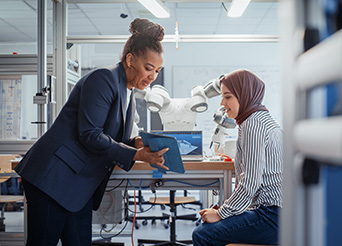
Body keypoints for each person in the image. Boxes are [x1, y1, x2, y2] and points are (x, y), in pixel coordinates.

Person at [14, 18, 168, 246]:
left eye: (157, 70)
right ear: (130, 59)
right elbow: (90, 133)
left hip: (78, 184)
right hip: (54, 176)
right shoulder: (103, 78)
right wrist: (136, 155)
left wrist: (136, 142)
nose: (153, 76)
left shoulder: (128, 93)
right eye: (148, 68)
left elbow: (114, 136)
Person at [192, 69, 283, 246]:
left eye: (228, 97)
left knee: (202, 235)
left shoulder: (252, 125)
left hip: (274, 217)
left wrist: (221, 214)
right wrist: (226, 210)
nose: (222, 102)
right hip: (277, 213)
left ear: (244, 95)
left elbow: (249, 183)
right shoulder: (258, 119)